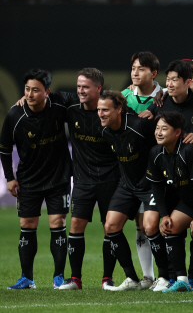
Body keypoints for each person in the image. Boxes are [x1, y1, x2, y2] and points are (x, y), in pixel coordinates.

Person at [1, 69, 71, 290]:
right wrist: (9, 178)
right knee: (27, 225)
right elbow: (4, 148)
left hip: (58, 177)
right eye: (27, 89)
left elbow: (87, 100)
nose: (30, 94)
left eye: (35, 90)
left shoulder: (60, 105)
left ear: (47, 92)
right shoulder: (15, 114)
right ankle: (27, 278)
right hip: (28, 179)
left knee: (57, 223)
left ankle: (58, 277)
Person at [58, 69, 120, 290]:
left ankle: (107, 279)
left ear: (98, 89)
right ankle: (75, 279)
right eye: (78, 86)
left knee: (110, 227)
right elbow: (46, 97)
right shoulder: (71, 109)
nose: (80, 91)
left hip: (110, 179)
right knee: (75, 224)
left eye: (85, 87)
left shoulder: (110, 111)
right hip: (83, 180)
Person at [146, 111, 193, 292]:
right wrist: (164, 215)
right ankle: (182, 280)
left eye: (164, 128)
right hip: (190, 199)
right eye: (157, 128)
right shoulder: (156, 153)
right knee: (170, 227)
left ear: (177, 132)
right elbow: (156, 188)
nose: (159, 132)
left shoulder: (190, 151)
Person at [97, 90, 164, 291]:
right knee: (111, 226)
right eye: (99, 110)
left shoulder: (139, 125)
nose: (100, 114)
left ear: (119, 109)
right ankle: (132, 279)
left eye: (105, 110)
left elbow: (160, 148)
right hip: (127, 185)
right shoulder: (105, 131)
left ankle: (165, 277)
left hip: (150, 183)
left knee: (150, 227)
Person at [121, 51, 162, 283]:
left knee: (157, 222)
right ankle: (148, 275)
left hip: (158, 168)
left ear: (153, 73)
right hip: (132, 169)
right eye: (133, 68)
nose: (135, 72)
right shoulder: (124, 96)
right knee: (140, 222)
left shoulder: (165, 96)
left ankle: (169, 274)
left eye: (141, 69)